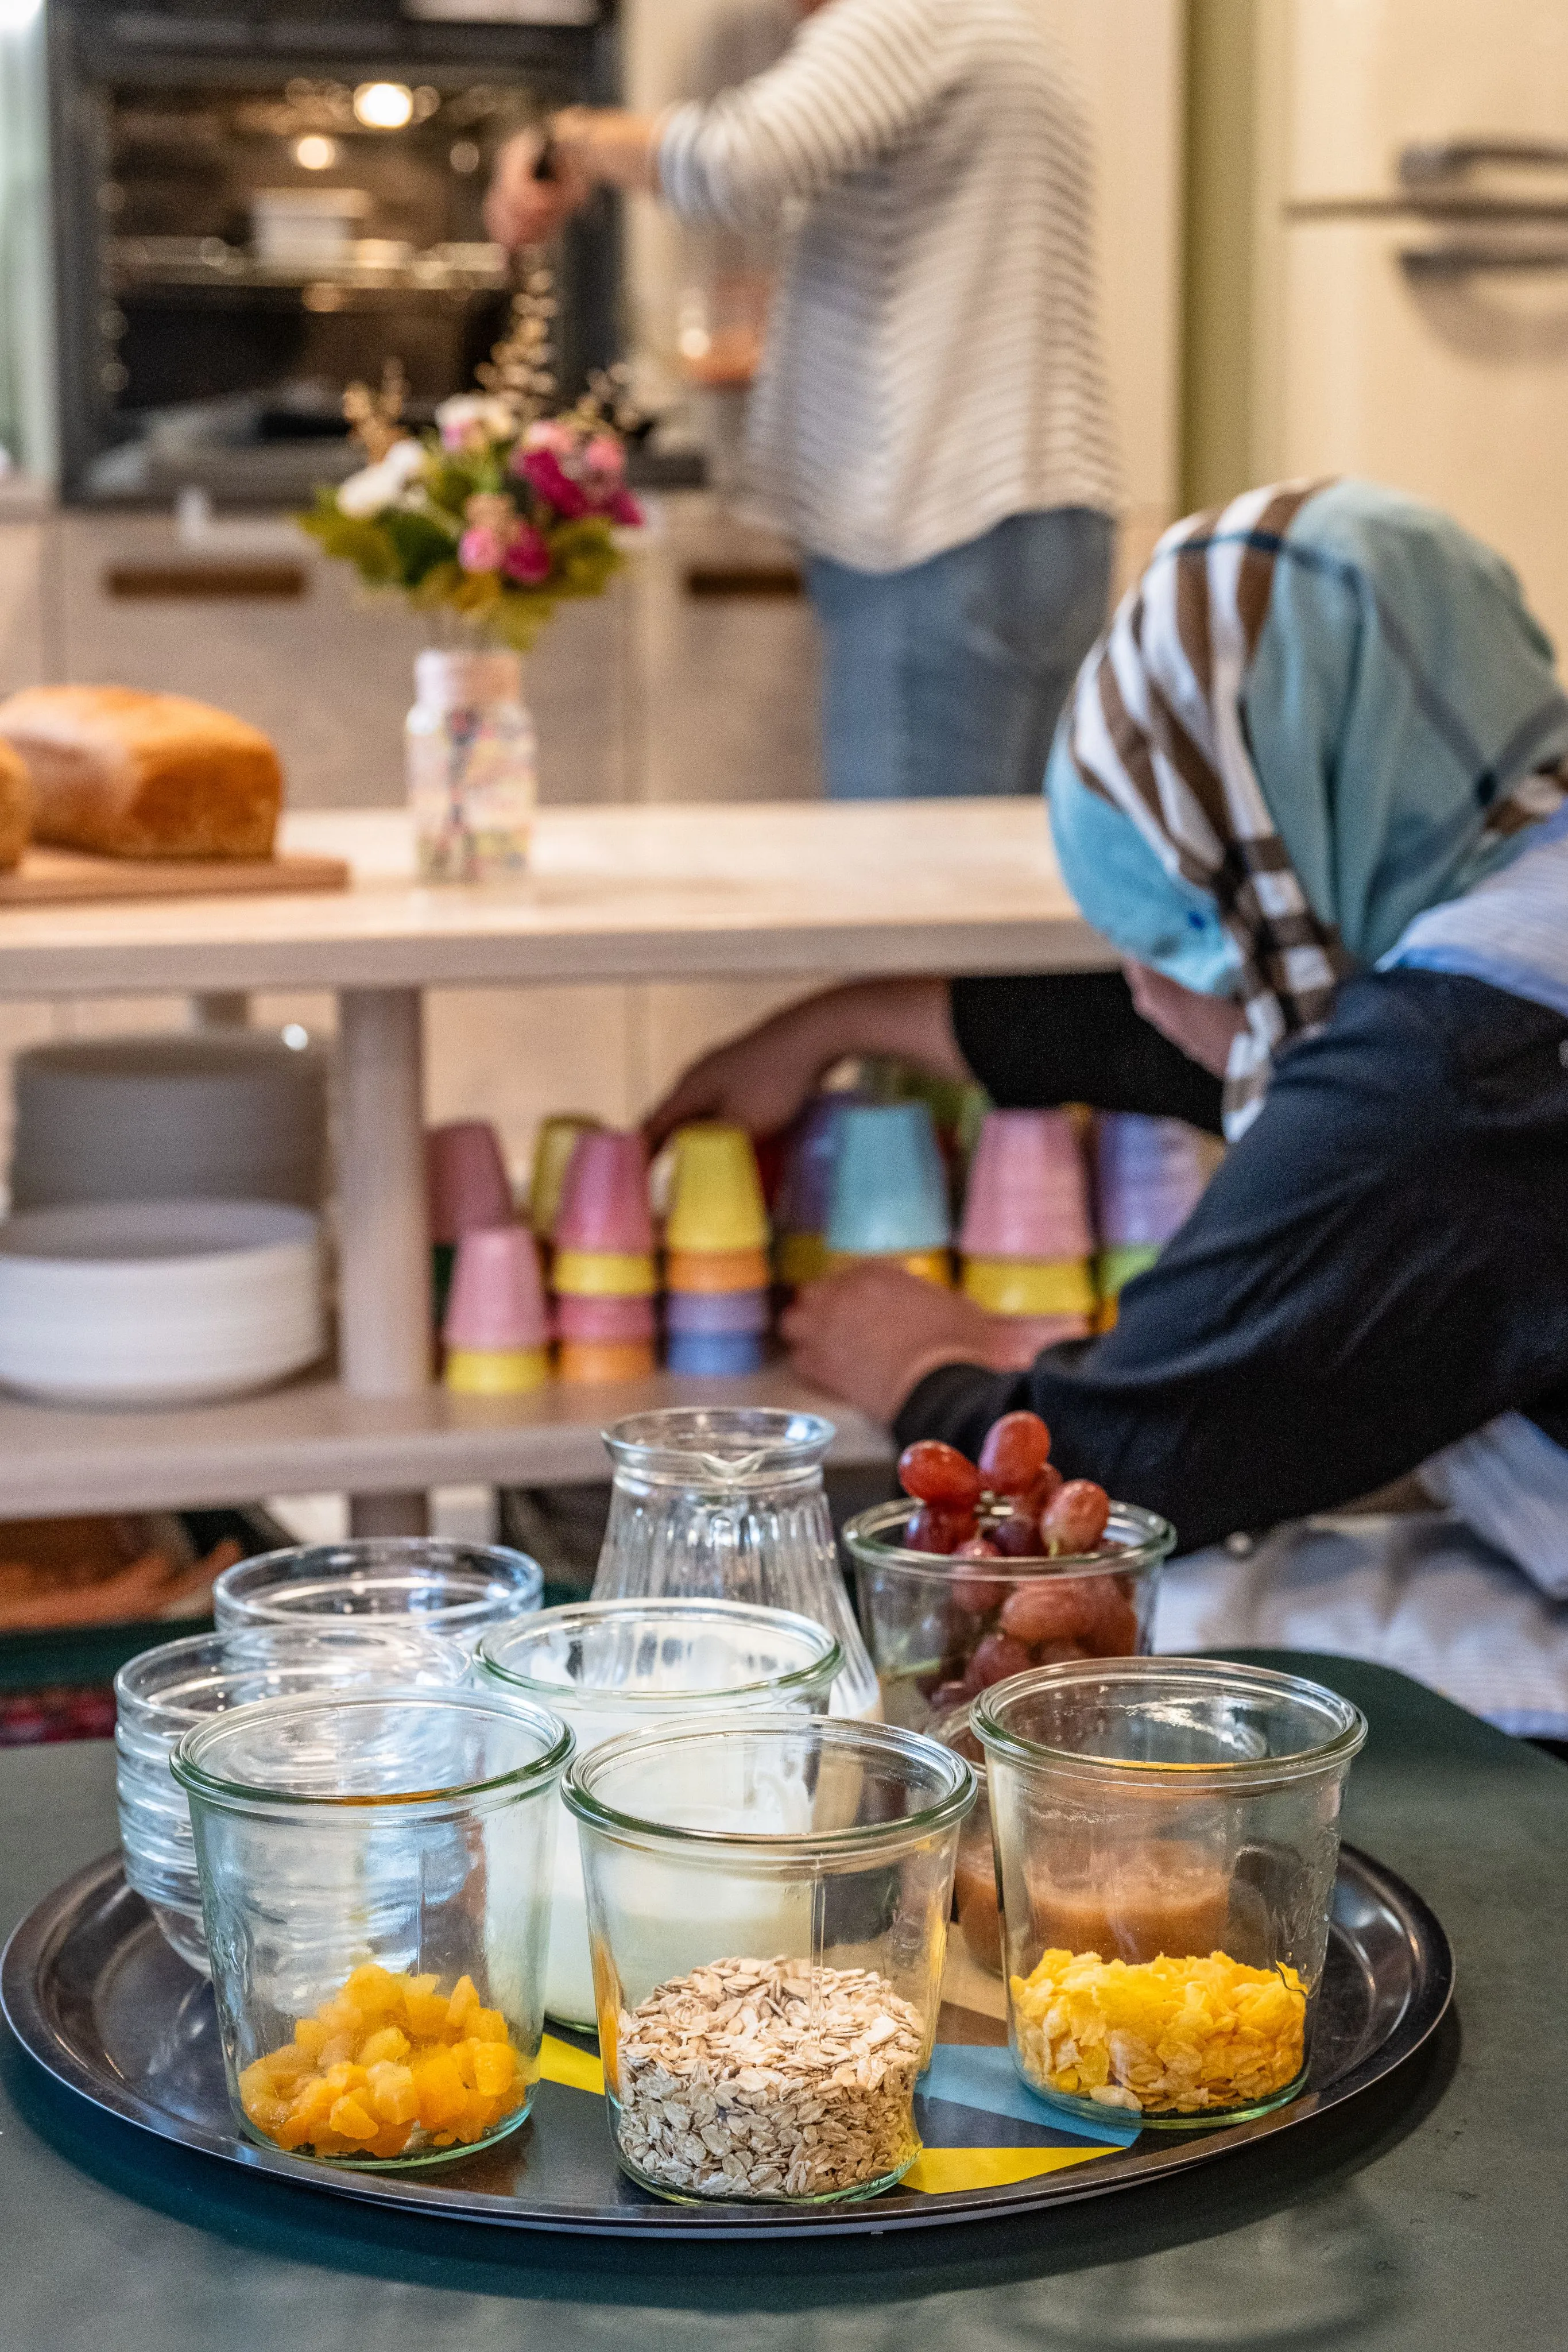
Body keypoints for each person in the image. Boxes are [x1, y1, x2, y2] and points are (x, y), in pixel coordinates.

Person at [648, 478, 1568, 1583]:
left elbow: (1119, 1469)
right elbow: (1264, 1033)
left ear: (1268, 877)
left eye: (1175, 935)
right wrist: (837, 1024)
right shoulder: (1512, 901)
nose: (1141, 989)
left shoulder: (1455, 1073)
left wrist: (923, 1369)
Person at [485, 0, 1118, 800]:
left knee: (910, 891)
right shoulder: (1004, 30)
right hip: (1046, 521)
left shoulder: (900, 16)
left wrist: (571, 140)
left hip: (932, 523)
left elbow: (735, 162)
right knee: (1015, 871)